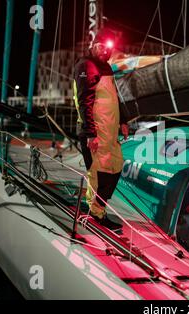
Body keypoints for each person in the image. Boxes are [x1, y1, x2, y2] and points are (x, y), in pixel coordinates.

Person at [73, 28, 130, 230]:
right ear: (94, 45)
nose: (106, 53)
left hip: (110, 132)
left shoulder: (106, 67)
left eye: (110, 50)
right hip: (95, 133)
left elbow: (114, 97)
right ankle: (95, 214)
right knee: (98, 174)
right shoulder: (85, 65)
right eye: (103, 48)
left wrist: (123, 121)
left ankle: (99, 208)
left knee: (116, 168)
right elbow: (83, 101)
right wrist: (90, 134)